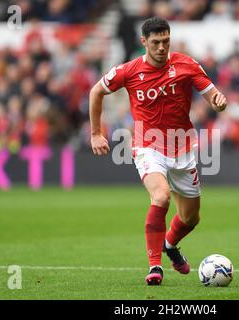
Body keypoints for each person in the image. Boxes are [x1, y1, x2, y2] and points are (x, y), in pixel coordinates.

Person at [88, 17, 227, 285]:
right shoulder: (128, 71)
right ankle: (155, 267)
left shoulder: (186, 64)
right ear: (144, 42)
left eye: (166, 41)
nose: (162, 47)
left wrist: (218, 103)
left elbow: (212, 95)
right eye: (156, 42)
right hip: (147, 146)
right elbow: (96, 92)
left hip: (183, 148)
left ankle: (170, 244)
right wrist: (95, 133)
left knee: (191, 217)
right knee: (161, 197)